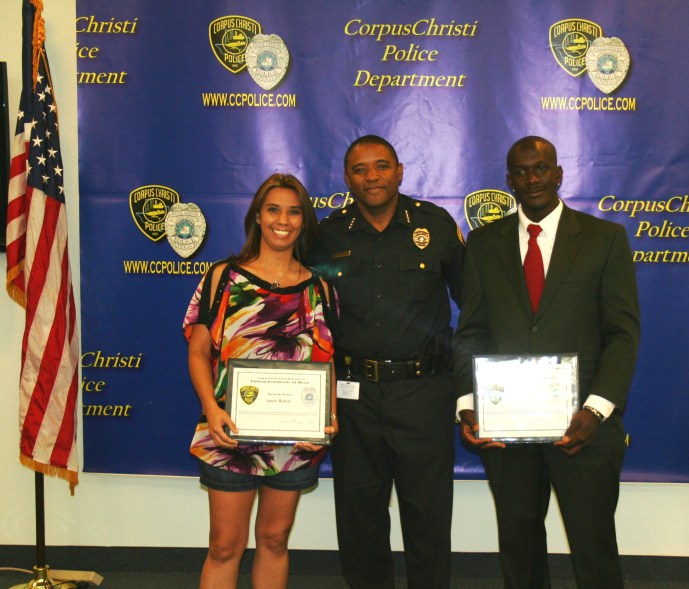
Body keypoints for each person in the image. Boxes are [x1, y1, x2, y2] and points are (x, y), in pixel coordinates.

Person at [453, 136, 640, 589]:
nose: (531, 179)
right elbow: (472, 331)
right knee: (519, 550)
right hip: (508, 431)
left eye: (541, 168)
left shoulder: (604, 239)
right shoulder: (482, 243)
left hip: (583, 428)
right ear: (508, 180)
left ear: (558, 173)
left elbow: (623, 333)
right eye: (521, 171)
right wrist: (467, 404)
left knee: (594, 550)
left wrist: (596, 410)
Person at [311, 135, 464, 588]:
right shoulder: (326, 235)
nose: (371, 176)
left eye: (381, 166)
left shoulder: (435, 226)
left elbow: (473, 305)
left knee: (428, 517)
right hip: (352, 396)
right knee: (360, 519)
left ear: (399, 171)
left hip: (424, 392)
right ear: (346, 178)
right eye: (360, 169)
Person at [184, 173, 338, 589]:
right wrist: (212, 409)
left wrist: (328, 420)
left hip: (295, 441)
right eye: (273, 209)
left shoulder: (320, 287)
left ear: (304, 221)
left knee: (274, 540)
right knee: (223, 546)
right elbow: (198, 352)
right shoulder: (222, 277)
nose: (282, 219)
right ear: (257, 216)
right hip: (229, 434)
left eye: (294, 211)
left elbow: (327, 361)